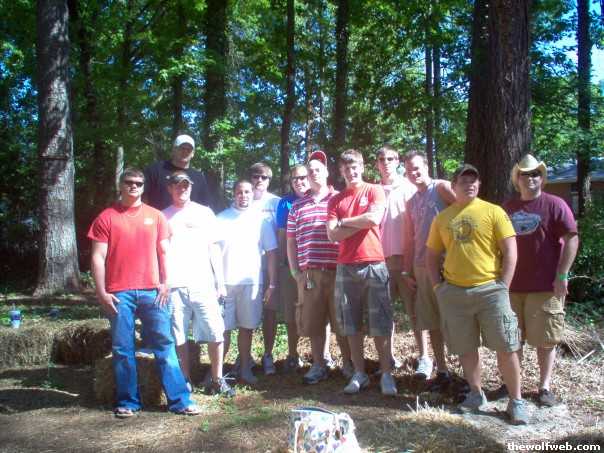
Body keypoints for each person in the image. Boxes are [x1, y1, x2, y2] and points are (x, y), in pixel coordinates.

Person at [88, 167, 200, 418]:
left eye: (138, 183)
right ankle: (128, 402)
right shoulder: (106, 217)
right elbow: (97, 257)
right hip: (119, 293)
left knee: (165, 344)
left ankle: (180, 400)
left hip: (154, 292)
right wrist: (101, 292)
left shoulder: (156, 216)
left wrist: (166, 282)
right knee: (122, 348)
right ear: (120, 184)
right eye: (129, 182)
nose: (134, 186)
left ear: (144, 187)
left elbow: (164, 252)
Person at [425, 164, 528, 425]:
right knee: (466, 347)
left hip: (491, 291)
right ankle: (475, 393)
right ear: (453, 186)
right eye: (463, 181)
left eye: (474, 180)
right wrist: (438, 287)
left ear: (479, 185)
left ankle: (516, 401)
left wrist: (503, 285)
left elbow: (510, 250)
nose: (469, 184)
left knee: (506, 346)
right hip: (455, 294)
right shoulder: (443, 218)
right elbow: (431, 256)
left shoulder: (494, 211)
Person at [504, 154, 579, 407]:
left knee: (545, 341)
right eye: (525, 174)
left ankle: (544, 387)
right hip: (511, 288)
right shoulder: (507, 209)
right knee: (512, 340)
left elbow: (571, 238)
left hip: (545, 287)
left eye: (535, 173)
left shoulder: (555, 204)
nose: (531, 178)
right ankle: (513, 385)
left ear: (542, 178)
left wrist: (562, 275)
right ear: (517, 179)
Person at [326, 149, 396, 396]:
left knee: (381, 322)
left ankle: (386, 373)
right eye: (346, 168)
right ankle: (359, 373)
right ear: (340, 171)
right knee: (351, 323)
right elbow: (332, 234)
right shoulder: (336, 200)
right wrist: (360, 221)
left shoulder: (374, 190)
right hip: (346, 265)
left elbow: (374, 218)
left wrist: (345, 222)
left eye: (354, 167)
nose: (351, 172)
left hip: (374, 263)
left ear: (362, 167)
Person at [163, 171, 234, 397]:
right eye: (177, 185)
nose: (181, 189)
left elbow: (214, 249)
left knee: (215, 331)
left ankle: (217, 379)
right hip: (174, 285)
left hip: (203, 284)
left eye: (185, 185)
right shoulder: (162, 216)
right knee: (178, 334)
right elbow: (159, 253)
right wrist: (162, 282)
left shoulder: (204, 213)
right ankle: (184, 380)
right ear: (169, 189)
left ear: (191, 187)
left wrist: (220, 282)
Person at [287, 151, 352, 384]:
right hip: (310, 274)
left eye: (318, 169)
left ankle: (348, 364)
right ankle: (318, 365)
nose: (314, 173)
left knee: (342, 321)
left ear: (326, 172)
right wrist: (295, 272)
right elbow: (291, 241)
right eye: (310, 170)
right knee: (314, 322)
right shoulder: (297, 206)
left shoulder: (340, 198)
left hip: (338, 270)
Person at [401, 151, 455, 386]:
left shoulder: (441, 188)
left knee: (454, 319)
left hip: (448, 264)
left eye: (416, 167)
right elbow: (410, 238)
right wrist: (407, 271)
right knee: (432, 321)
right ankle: (442, 370)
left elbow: (466, 211)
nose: (413, 173)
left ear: (426, 166)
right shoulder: (411, 201)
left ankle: (466, 374)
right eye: (409, 170)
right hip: (421, 267)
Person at [217, 179, 278, 384]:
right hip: (225, 283)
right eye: (239, 192)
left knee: (247, 327)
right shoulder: (221, 219)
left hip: (252, 283)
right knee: (222, 329)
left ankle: (245, 368)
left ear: (253, 194)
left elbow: (271, 253)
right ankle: (217, 372)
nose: (243, 196)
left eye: (247, 192)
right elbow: (212, 252)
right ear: (234, 194)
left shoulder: (262, 221)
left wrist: (272, 284)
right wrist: (216, 282)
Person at [375, 145, 416, 370]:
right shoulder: (373, 191)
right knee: (384, 313)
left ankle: (425, 358)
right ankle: (387, 359)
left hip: (407, 260)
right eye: (382, 159)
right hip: (381, 261)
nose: (386, 163)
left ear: (398, 161)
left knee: (415, 312)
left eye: (390, 158)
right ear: (377, 164)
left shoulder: (409, 187)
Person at [275, 165, 310, 372]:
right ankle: (292, 354)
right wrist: (283, 262)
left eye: (303, 177)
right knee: (291, 312)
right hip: (291, 266)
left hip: (317, 265)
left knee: (320, 310)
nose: (299, 182)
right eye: (295, 179)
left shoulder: (322, 198)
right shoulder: (285, 203)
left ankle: (323, 355)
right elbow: (282, 234)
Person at [248, 162, 281, 375]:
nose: (259, 180)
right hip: (247, 266)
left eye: (263, 177)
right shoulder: (243, 200)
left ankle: (268, 354)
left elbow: (283, 233)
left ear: (269, 180)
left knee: (270, 311)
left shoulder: (276, 202)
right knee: (248, 311)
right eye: (255, 176)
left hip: (270, 264)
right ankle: (245, 355)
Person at [143, 134, 216, 211]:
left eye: (189, 150)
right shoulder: (155, 170)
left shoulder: (199, 177)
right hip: (158, 217)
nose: (185, 152)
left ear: (193, 153)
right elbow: (142, 196)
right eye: (182, 148)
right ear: (174, 150)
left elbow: (205, 204)